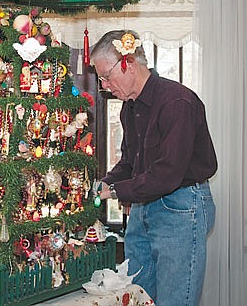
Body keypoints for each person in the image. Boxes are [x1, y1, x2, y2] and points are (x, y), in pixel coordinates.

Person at [91, 30, 217, 306]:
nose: (104, 85)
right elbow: (130, 163)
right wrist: (106, 181)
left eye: (106, 76)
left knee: (175, 300)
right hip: (143, 206)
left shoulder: (177, 101)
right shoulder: (129, 108)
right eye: (101, 78)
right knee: (136, 297)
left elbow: (167, 174)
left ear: (129, 63)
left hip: (180, 207)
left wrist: (113, 190)